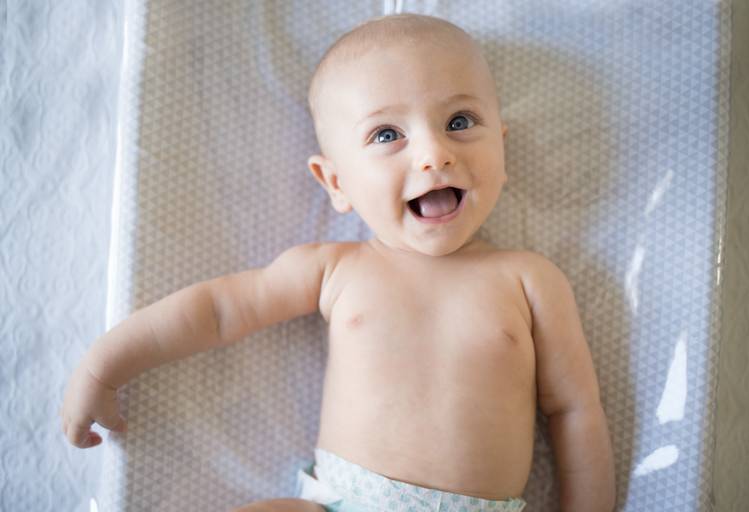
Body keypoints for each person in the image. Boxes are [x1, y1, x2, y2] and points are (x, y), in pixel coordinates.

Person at [61, 13, 615, 512]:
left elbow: (574, 412)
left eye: (460, 122)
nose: (433, 152)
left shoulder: (529, 280)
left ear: (503, 148)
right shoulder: (335, 269)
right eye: (387, 134)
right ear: (336, 181)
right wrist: (105, 364)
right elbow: (217, 311)